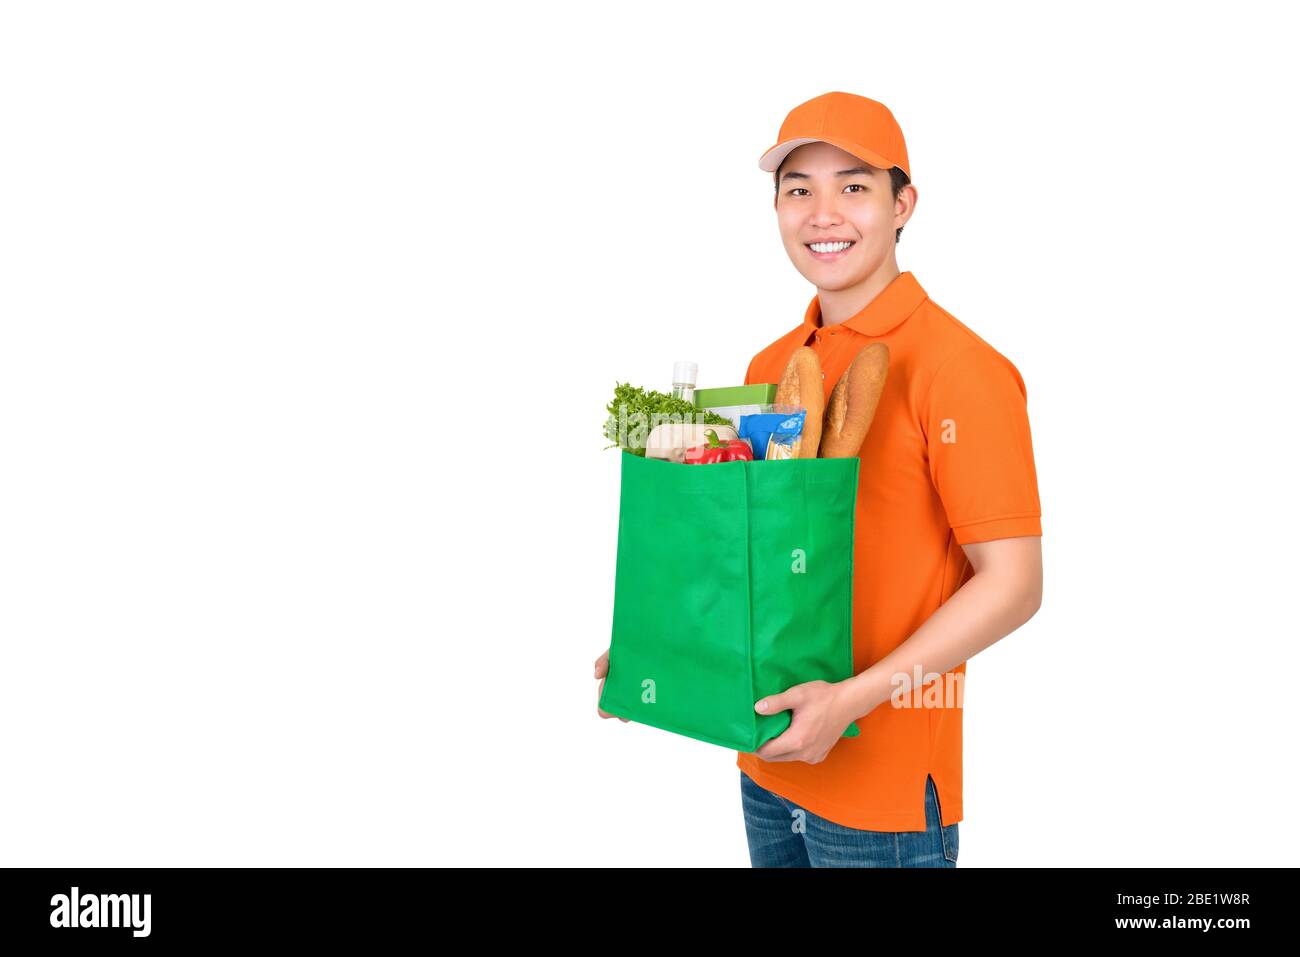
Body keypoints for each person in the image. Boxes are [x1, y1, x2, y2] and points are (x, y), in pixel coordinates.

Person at [596, 91, 1043, 868]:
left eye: (855, 187)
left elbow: (1014, 584)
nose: (823, 212)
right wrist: (666, 646)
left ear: (904, 204)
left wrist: (848, 701)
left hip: (885, 799)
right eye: (799, 189)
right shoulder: (771, 369)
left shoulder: (960, 369)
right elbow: (752, 562)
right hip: (765, 759)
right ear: (775, 208)